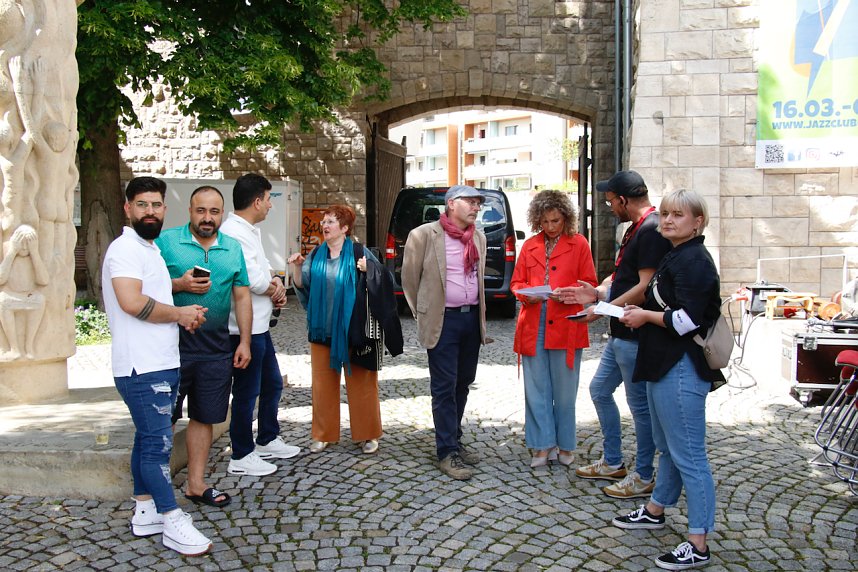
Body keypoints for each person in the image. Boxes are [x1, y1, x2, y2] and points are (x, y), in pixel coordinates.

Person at [611, 188, 724, 570]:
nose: (669, 220)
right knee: (668, 447)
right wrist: (634, 309)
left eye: (678, 214)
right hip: (662, 364)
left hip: (682, 367)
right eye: (665, 214)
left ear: (698, 222)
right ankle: (657, 508)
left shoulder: (696, 261)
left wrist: (643, 317)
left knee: (690, 456)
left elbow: (688, 319)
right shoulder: (675, 254)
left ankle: (698, 543)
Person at [101, 176, 212, 556]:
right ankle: (171, 517)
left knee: (146, 439)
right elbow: (132, 302)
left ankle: (145, 508)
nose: (150, 211)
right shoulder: (124, 250)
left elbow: (154, 296)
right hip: (141, 367)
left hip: (160, 362)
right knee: (156, 445)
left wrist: (181, 304)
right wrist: (180, 314)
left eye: (157, 205)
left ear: (165, 209)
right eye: (143, 205)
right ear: (128, 208)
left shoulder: (148, 248)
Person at [560, 170, 671, 499]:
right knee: (599, 390)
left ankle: (644, 475)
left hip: (636, 336)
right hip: (619, 334)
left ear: (624, 200)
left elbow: (644, 286)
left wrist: (602, 309)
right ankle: (612, 461)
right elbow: (622, 275)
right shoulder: (636, 229)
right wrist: (597, 293)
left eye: (611, 202)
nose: (609, 207)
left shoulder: (651, 229)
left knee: (639, 408)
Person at [156, 186, 252, 508]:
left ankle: (195, 484)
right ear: (190, 211)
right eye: (201, 211)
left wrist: (246, 342)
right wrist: (179, 285)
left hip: (216, 349)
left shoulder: (233, 248)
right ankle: (155, 487)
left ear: (221, 214)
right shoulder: (166, 242)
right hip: (171, 348)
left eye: (214, 212)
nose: (207, 218)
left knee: (205, 417)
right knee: (163, 419)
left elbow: (242, 297)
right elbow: (142, 287)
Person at [288, 204, 400, 455]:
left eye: (331, 222)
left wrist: (368, 269)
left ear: (345, 228)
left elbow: (386, 281)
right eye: (324, 221)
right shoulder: (316, 255)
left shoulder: (360, 252)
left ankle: (368, 434)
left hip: (355, 332)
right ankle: (323, 434)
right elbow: (302, 287)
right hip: (321, 331)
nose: (324, 226)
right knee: (322, 385)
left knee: (362, 385)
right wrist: (296, 267)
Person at [401, 185, 487, 481]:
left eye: (478, 202)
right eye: (471, 201)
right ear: (451, 204)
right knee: (444, 387)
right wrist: (423, 312)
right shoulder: (424, 235)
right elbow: (409, 279)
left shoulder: (478, 236)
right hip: (443, 320)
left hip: (471, 320)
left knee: (463, 383)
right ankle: (446, 451)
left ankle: (455, 439)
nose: (476, 207)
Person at [220, 174, 301, 476]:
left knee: (272, 384)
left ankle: (267, 437)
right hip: (242, 329)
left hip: (259, 326)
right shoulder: (233, 233)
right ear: (256, 201)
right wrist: (275, 287)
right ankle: (241, 454)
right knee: (246, 391)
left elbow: (264, 270)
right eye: (268, 199)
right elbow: (253, 280)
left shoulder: (248, 230)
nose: (270, 205)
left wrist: (276, 283)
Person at [511, 190, 597, 468]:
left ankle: (565, 444)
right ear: (538, 219)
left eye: (556, 221)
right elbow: (516, 283)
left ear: (565, 218)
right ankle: (540, 444)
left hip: (567, 320)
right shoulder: (530, 245)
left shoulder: (579, 243)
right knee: (536, 388)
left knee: (565, 390)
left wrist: (570, 293)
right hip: (534, 319)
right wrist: (528, 294)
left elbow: (590, 283)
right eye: (545, 221)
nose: (550, 227)